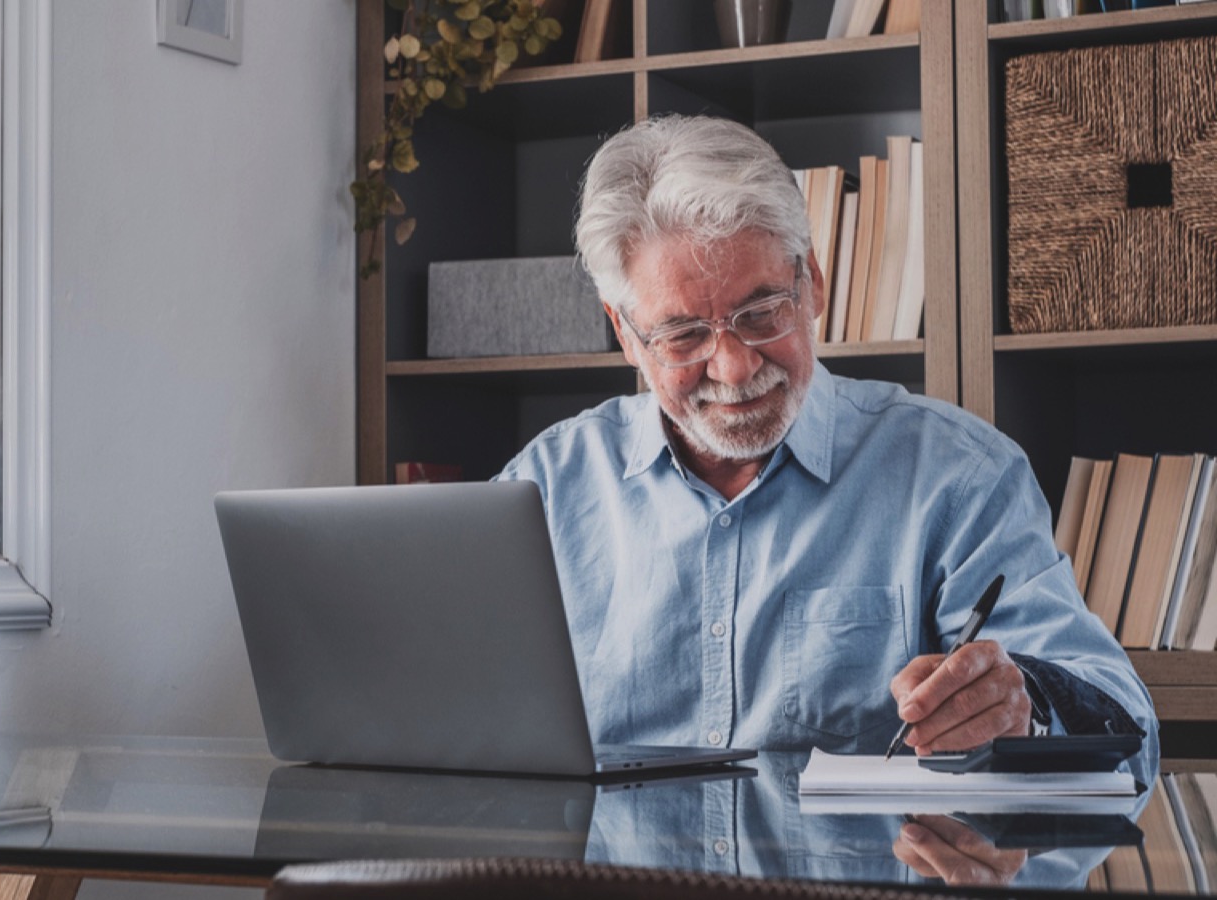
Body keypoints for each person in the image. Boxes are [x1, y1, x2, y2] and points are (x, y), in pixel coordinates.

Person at [495, 115, 1156, 772]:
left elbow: (1129, 728)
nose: (734, 368)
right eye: (684, 335)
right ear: (625, 333)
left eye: (760, 314)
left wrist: (1028, 705)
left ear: (811, 281)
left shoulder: (958, 475)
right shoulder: (545, 491)